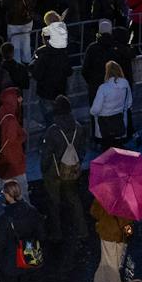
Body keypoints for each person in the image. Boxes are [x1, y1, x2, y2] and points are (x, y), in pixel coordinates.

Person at [41, 94, 90, 244]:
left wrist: (44, 169)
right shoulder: (78, 127)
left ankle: (56, 233)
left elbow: (46, 155)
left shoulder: (53, 131)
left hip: (54, 172)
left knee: (54, 202)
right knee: (74, 198)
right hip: (71, 170)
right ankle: (82, 230)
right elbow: (82, 149)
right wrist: (77, 162)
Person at [0, 177, 44, 282]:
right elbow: (41, 234)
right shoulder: (32, 211)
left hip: (11, 263)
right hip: (30, 256)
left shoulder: (5, 219)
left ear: (8, 196)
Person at [90, 193, 133, 282]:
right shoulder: (128, 198)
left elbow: (94, 212)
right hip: (120, 236)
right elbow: (128, 222)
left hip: (106, 232)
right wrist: (129, 232)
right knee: (114, 262)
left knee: (108, 260)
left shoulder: (103, 194)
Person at [92, 60, 132, 148]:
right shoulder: (125, 85)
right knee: (119, 148)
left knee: (107, 149)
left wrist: (93, 113)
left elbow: (96, 109)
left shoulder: (103, 88)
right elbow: (129, 103)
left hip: (104, 126)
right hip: (119, 122)